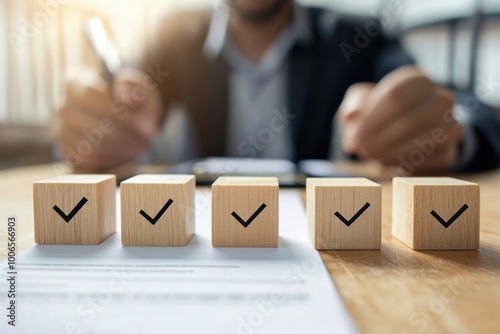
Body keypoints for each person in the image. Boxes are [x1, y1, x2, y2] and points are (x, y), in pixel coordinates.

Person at [58, 0, 500, 173]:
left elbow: (464, 106)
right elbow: (127, 89)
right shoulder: (175, 33)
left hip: (331, 240)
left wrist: (449, 133)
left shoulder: (354, 35)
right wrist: (97, 125)